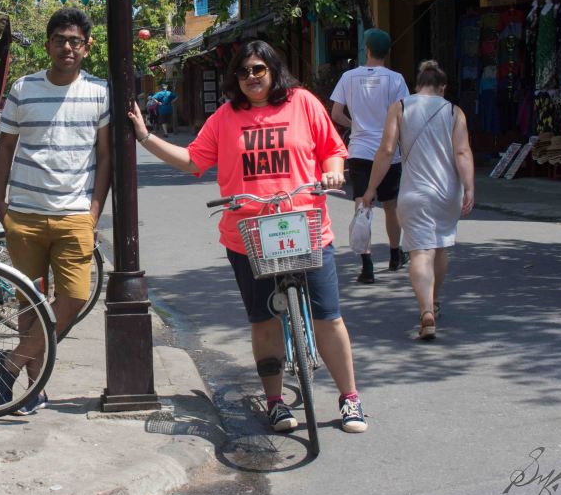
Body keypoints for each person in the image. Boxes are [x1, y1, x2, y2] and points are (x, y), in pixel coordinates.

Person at [128, 40, 367, 434]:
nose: (251, 78)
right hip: (249, 233)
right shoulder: (225, 117)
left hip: (305, 224)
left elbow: (331, 149)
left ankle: (350, 398)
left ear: (273, 69)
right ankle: (275, 401)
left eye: (258, 69)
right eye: (243, 72)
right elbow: (193, 161)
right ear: (234, 79)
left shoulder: (302, 103)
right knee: (264, 320)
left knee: (328, 316)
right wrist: (145, 138)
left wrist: (334, 171)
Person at [0, 7, 111, 416]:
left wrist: (94, 210)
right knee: (29, 303)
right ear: (48, 44)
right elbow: (5, 145)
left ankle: (10, 362)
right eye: (60, 40)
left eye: (75, 41)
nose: (67, 47)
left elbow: (106, 156)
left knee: (75, 296)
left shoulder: (100, 92)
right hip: (24, 212)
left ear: (86, 46)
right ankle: (32, 391)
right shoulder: (23, 89)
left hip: (75, 214)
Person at [361, 60, 474, 340]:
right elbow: (462, 153)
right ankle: (434, 302)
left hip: (414, 193)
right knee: (440, 247)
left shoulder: (400, 107)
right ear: (442, 87)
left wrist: (371, 188)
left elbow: (387, 151)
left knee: (420, 252)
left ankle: (426, 311)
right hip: (448, 192)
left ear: (417, 86)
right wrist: (469, 188)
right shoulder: (453, 111)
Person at [330, 28, 410, 284]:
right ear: (387, 52)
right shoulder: (395, 79)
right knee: (390, 206)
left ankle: (366, 266)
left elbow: (336, 113)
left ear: (366, 50)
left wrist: (356, 125)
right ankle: (395, 255)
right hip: (389, 153)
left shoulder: (348, 77)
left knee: (362, 205)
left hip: (360, 151)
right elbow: (404, 114)